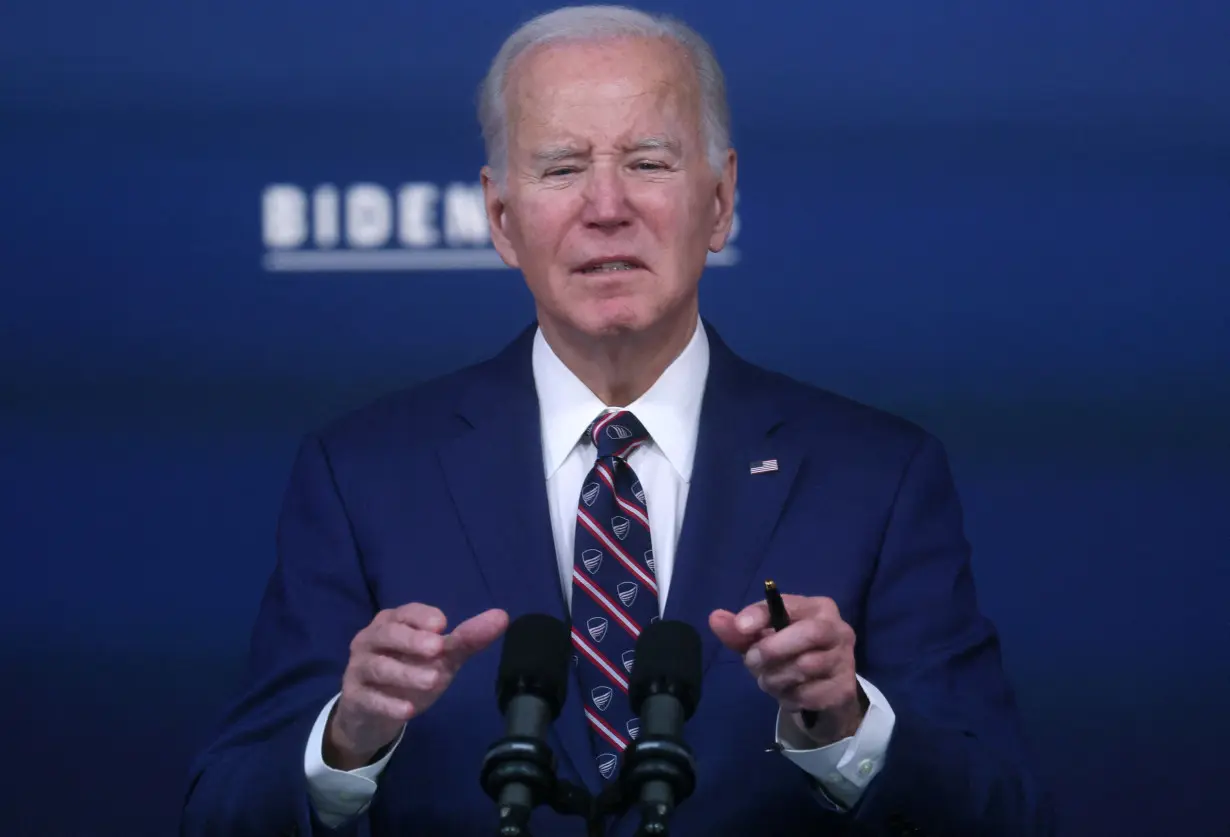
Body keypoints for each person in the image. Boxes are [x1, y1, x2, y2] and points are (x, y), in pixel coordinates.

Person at [181, 5, 1055, 836]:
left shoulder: (878, 477)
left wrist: (849, 726)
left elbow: (1005, 813)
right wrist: (347, 738)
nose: (606, 205)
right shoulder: (363, 475)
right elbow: (222, 811)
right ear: (500, 218)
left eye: (647, 161)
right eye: (562, 167)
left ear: (718, 200)